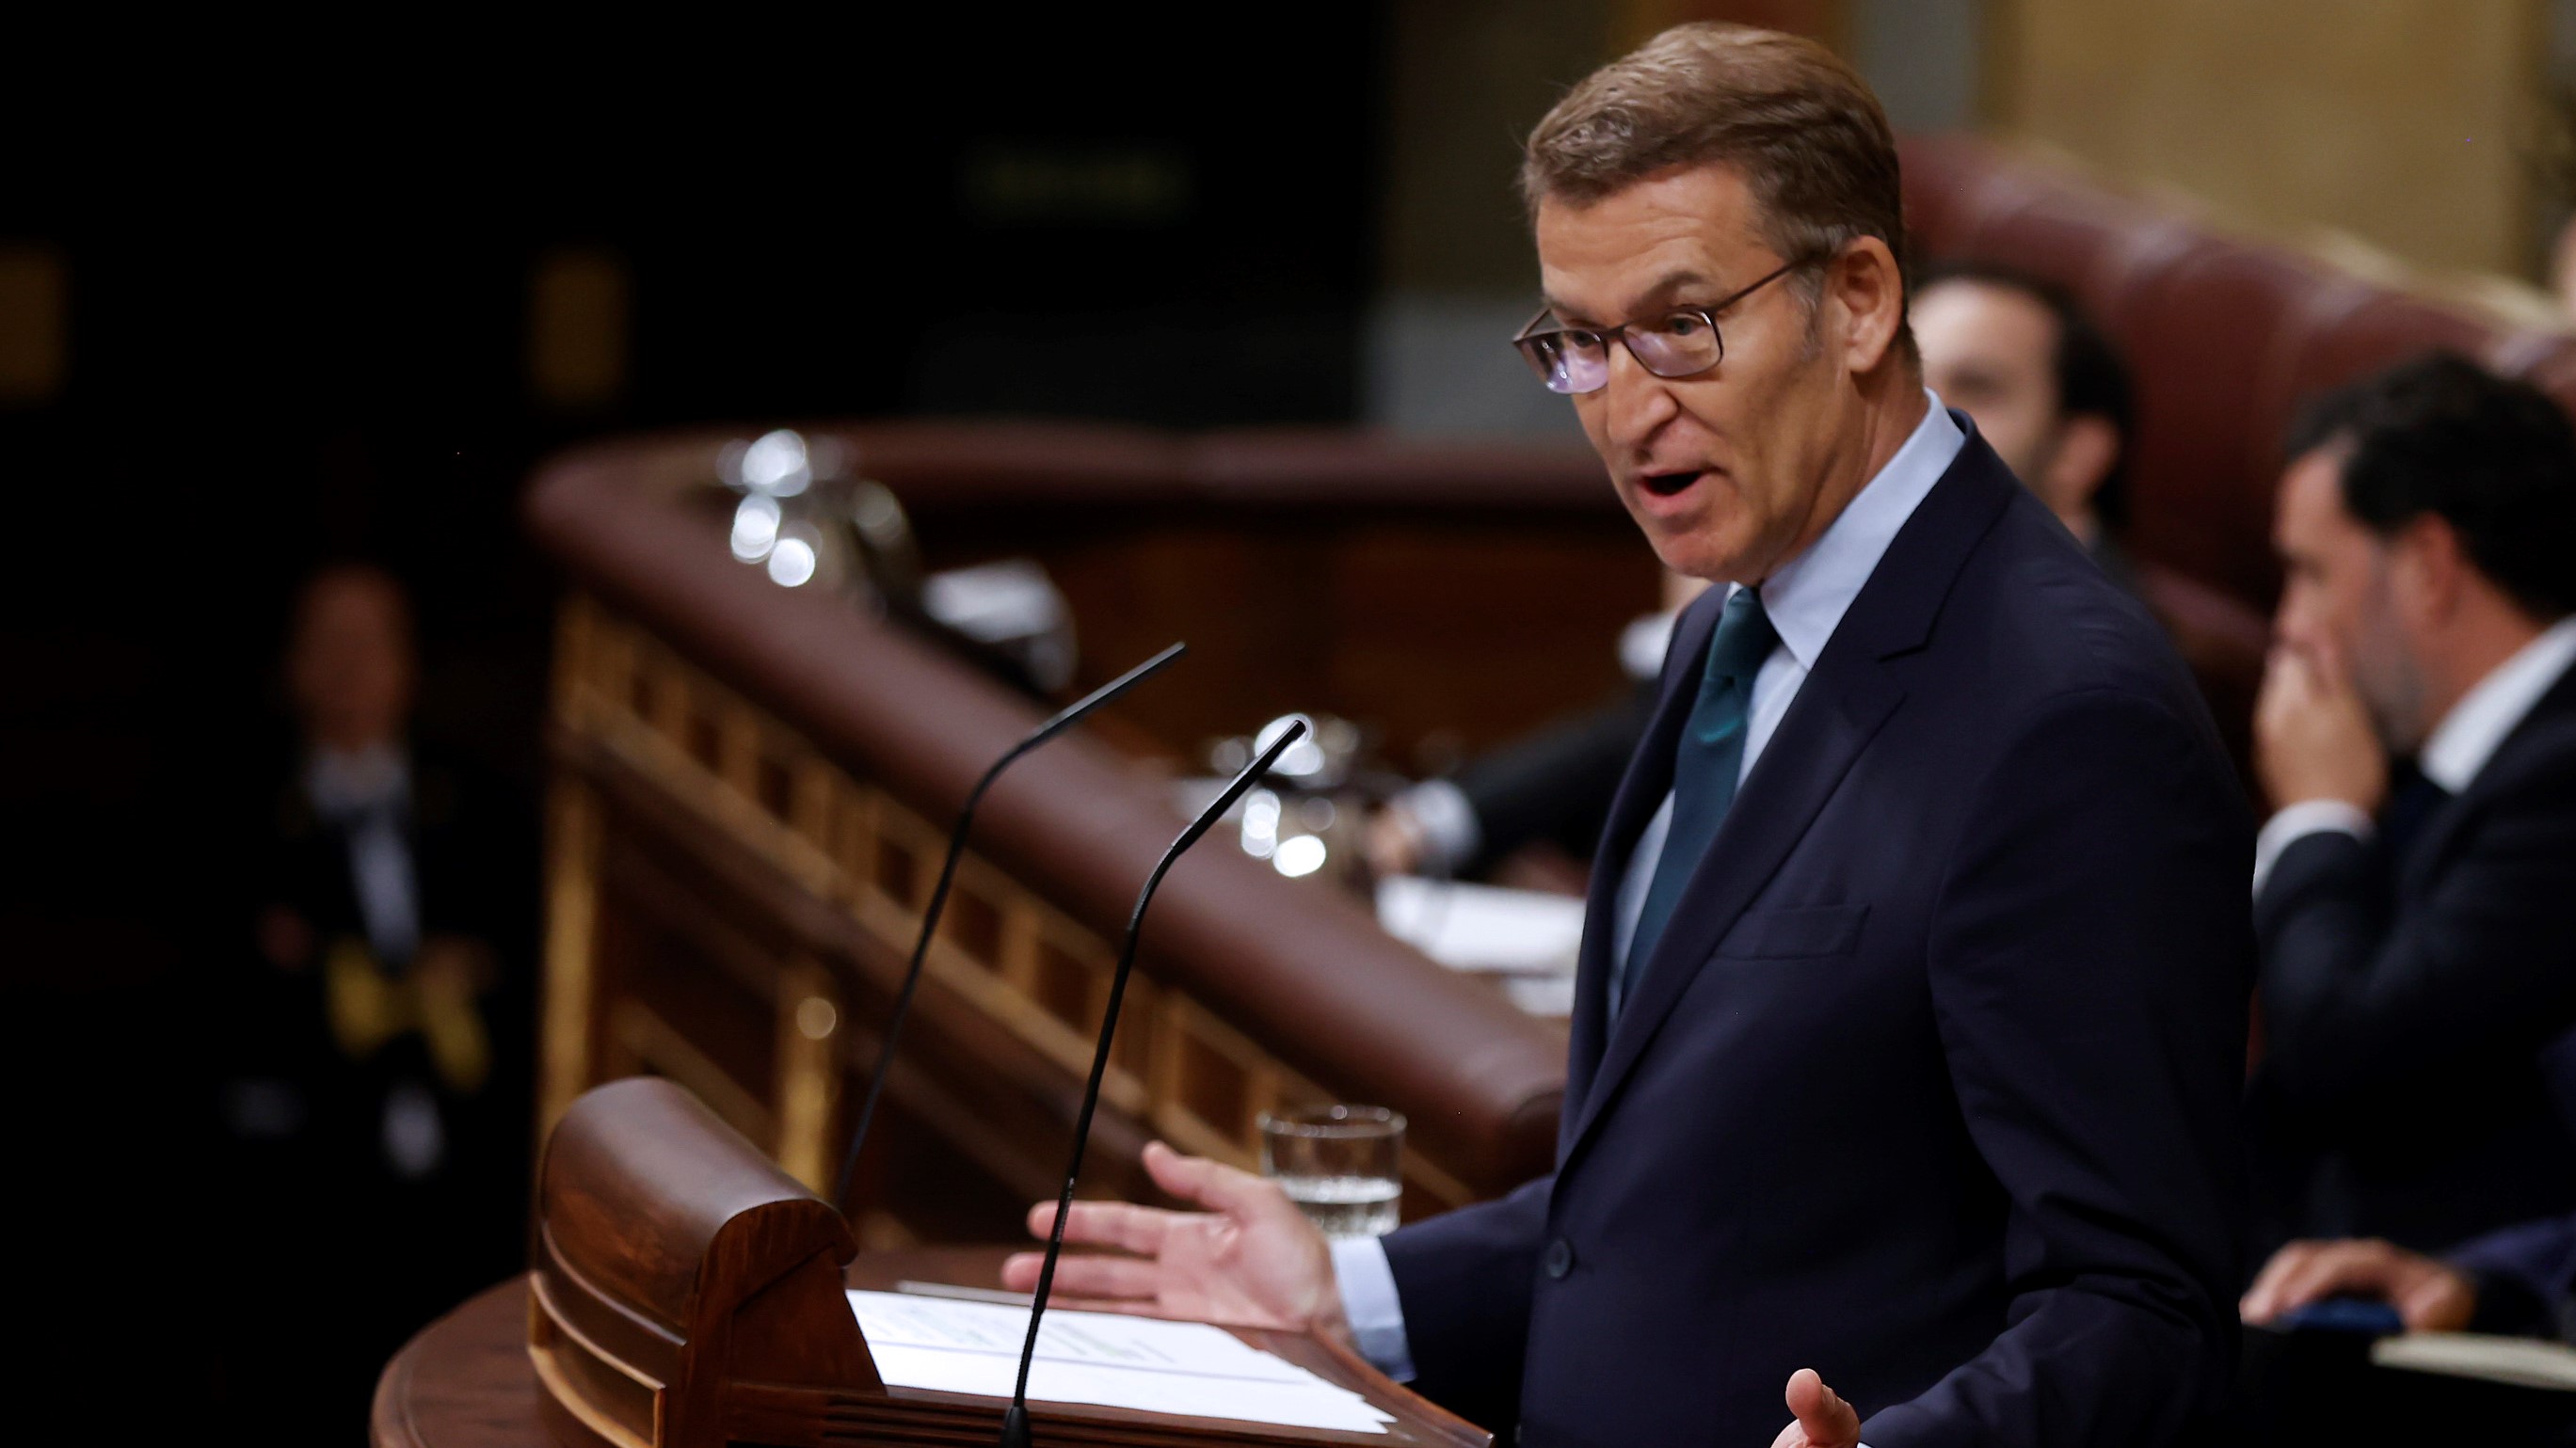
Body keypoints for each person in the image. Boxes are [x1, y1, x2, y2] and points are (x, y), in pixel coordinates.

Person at [1004, 24, 2250, 1448]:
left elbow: (2141, 1305)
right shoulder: (1732, 622)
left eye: (1680, 324)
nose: (1628, 407)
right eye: (1581, 343)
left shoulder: (2065, 715)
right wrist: (1357, 1291)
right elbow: (1683, 1198)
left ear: (1855, 300)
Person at [2247, 352, 2576, 1257]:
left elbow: (2345, 1056)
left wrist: (2316, 819)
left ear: (2428, 565)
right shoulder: (2441, 770)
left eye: (2311, 573)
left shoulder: (2557, 781)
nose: (2288, 625)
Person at [1911, 261, 2137, 591]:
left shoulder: (2089, 636)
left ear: (2075, 455)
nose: (1916, 412)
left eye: (1976, 387)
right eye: (1904, 379)